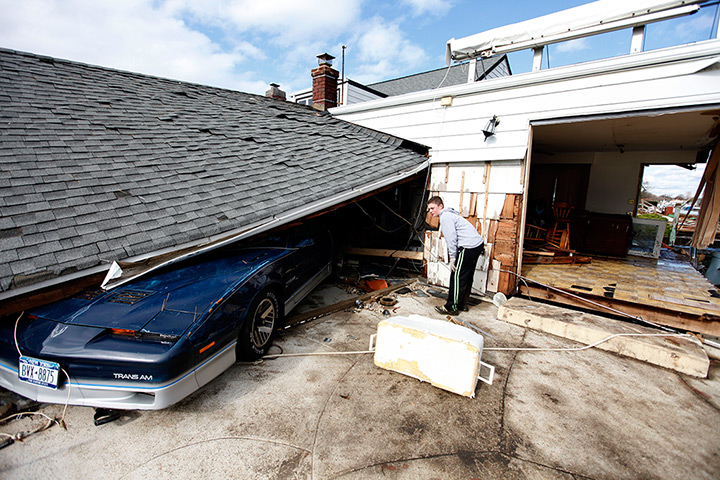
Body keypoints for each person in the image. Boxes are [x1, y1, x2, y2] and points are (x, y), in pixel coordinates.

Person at [427, 195, 485, 315]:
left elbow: (451, 239)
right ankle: (462, 304)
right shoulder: (451, 215)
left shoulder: (446, 217)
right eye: (429, 209)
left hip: (468, 247)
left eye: (432, 208)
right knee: (466, 276)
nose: (430, 211)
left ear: (440, 206)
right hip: (476, 245)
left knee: (457, 276)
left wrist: (453, 257)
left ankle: (451, 307)